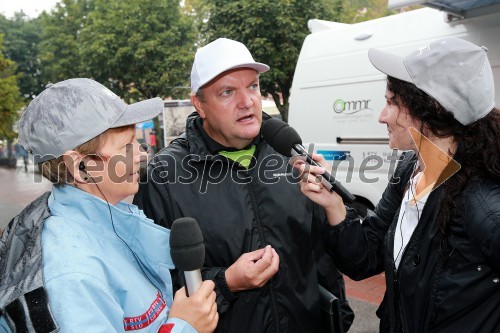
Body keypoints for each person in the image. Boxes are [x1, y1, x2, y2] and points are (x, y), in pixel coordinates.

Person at [133, 38, 353, 333]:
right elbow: (152, 281)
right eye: (227, 92)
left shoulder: (288, 153)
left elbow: (318, 252)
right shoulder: (163, 175)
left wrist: (338, 316)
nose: (247, 101)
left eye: (253, 86)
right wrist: (227, 282)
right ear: (199, 104)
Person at [296, 37, 500, 332]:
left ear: (431, 109)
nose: (382, 116)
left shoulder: (484, 204)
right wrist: (334, 205)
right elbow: (366, 256)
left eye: (392, 102)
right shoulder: (410, 168)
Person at [0, 78, 218, 333]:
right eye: (126, 147)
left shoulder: (107, 223)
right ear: (80, 167)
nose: (142, 154)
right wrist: (185, 327)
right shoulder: (71, 274)